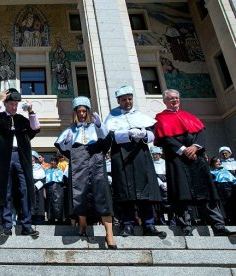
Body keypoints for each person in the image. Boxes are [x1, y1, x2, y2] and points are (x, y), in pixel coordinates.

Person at [154, 88, 236, 236]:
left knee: (207, 193)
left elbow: (201, 132)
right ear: (165, 101)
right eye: (171, 98)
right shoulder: (161, 118)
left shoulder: (188, 116)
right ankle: (185, 225)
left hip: (197, 159)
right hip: (177, 160)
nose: (175, 100)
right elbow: (165, 138)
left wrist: (194, 147)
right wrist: (184, 150)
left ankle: (218, 225)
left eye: (177, 98)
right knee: (182, 193)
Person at [104, 86, 166, 238]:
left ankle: (149, 224)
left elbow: (153, 133)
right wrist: (127, 134)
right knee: (125, 190)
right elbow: (109, 135)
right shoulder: (112, 117)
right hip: (121, 156)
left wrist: (145, 134)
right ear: (118, 101)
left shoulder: (140, 115)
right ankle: (128, 224)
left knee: (146, 188)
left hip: (141, 155)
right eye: (124, 100)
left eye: (130, 99)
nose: (128, 102)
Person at [55, 96, 117, 249]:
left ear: (88, 112)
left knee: (101, 194)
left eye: (84, 111)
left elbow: (106, 142)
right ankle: (82, 223)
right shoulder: (70, 130)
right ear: (75, 112)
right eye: (79, 111)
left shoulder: (95, 126)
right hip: (78, 160)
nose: (82, 114)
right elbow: (64, 150)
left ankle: (109, 234)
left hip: (95, 158)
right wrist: (67, 141)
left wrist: (99, 125)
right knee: (80, 193)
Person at [0, 88, 40, 236]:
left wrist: (31, 111)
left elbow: (35, 128)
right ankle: (7, 225)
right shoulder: (0, 118)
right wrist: (1, 100)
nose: (14, 106)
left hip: (20, 156)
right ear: (6, 104)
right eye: (11, 103)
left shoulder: (22, 120)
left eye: (16, 104)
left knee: (24, 189)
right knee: (6, 190)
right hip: (5, 156)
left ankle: (26, 225)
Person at [151, 146, 175, 225]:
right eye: (153, 154)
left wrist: (166, 183)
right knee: (159, 206)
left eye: (156, 154)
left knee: (170, 205)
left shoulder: (165, 162)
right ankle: (162, 222)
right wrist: (160, 183)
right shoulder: (151, 164)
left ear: (160, 154)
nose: (155, 156)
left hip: (167, 185)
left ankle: (172, 221)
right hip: (157, 186)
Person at [210, 156, 236, 224]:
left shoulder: (226, 170)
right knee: (222, 205)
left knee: (230, 204)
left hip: (229, 188)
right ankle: (226, 219)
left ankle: (232, 219)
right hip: (219, 189)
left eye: (219, 161)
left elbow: (233, 179)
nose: (219, 163)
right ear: (213, 163)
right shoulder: (211, 172)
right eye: (217, 161)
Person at [44, 156, 65, 224]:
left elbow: (62, 181)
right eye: (52, 161)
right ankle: (50, 218)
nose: (53, 162)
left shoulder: (60, 170)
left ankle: (59, 218)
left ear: (57, 162)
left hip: (58, 188)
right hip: (49, 187)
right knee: (50, 203)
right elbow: (45, 181)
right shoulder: (47, 170)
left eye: (55, 161)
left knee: (59, 203)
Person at [31, 150, 46, 225]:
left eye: (33, 157)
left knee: (39, 203)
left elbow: (43, 179)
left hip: (39, 187)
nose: (32, 159)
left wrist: (37, 185)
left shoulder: (40, 167)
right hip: (30, 188)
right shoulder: (27, 167)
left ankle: (39, 219)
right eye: (30, 157)